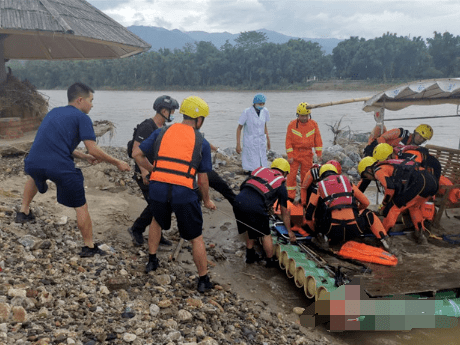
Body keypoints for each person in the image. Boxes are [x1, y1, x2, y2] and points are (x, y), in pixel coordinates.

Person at [15, 82, 131, 257]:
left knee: (33, 176)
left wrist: (83, 157)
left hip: (33, 162)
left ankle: (23, 212)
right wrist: (117, 162)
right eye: (91, 100)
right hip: (59, 166)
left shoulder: (54, 113)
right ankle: (89, 247)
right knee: (80, 205)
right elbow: (93, 148)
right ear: (80, 100)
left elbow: (55, 143)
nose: (92, 105)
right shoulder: (82, 117)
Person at [132, 96, 216, 293]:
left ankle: (152, 261)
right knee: (196, 237)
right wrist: (206, 199)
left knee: (156, 221)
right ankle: (203, 280)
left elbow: (137, 154)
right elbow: (203, 180)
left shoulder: (163, 131)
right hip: (184, 192)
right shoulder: (201, 141)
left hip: (159, 188)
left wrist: (152, 170)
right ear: (199, 119)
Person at [127, 95, 179, 247]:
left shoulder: (162, 129)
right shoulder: (146, 126)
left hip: (157, 172)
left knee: (162, 203)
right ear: (164, 111)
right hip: (145, 172)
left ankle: (157, 234)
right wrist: (144, 171)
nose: (173, 114)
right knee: (155, 204)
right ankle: (136, 229)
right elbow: (136, 151)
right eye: (172, 111)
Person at [304, 164, 392, 252]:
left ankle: (323, 237)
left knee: (318, 214)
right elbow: (366, 202)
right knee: (368, 214)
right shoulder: (348, 183)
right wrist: (355, 212)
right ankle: (384, 240)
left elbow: (308, 215)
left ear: (321, 175)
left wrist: (315, 231)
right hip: (354, 229)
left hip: (332, 231)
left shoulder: (319, 186)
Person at [358, 156, 438, 244]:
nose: (368, 178)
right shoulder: (388, 164)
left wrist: (385, 204)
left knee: (393, 208)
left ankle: (382, 237)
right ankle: (421, 235)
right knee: (414, 207)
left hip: (420, 182)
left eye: (365, 175)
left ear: (369, 169)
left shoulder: (378, 170)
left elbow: (390, 188)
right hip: (431, 181)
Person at [233, 158, 295, 267]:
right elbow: (285, 213)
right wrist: (290, 232)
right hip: (255, 206)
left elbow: (244, 185)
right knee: (266, 234)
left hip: (238, 201)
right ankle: (270, 261)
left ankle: (250, 255)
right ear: (284, 173)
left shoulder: (260, 171)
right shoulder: (281, 184)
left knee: (249, 226)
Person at [285, 102, 323, 200]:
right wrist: (290, 155)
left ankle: (304, 199)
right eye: (302, 116)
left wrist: (319, 153)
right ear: (298, 115)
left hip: (307, 154)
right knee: (291, 177)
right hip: (295, 153)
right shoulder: (292, 125)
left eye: (306, 116)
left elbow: (317, 140)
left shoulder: (313, 124)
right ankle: (290, 197)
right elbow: (288, 141)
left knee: (306, 177)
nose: (304, 118)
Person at [236, 93, 271, 173]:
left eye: (263, 104)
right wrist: (238, 144)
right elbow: (239, 128)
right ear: (255, 103)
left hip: (261, 140)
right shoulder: (247, 112)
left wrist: (268, 139)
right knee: (251, 164)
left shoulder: (265, 111)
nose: (261, 105)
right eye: (259, 104)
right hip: (250, 141)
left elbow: (264, 125)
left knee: (262, 161)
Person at [363, 124, 433, 157]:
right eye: (420, 136)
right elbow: (381, 138)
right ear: (415, 132)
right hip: (374, 150)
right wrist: (387, 153)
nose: (420, 140)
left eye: (423, 139)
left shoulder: (412, 146)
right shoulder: (400, 133)